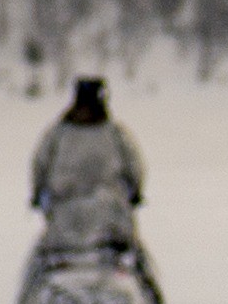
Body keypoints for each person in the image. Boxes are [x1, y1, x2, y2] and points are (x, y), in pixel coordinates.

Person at [29, 74, 146, 248]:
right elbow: (134, 167)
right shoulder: (115, 134)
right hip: (110, 212)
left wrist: (37, 193)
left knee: (43, 252)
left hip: (65, 213)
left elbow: (40, 165)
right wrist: (135, 193)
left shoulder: (57, 134)